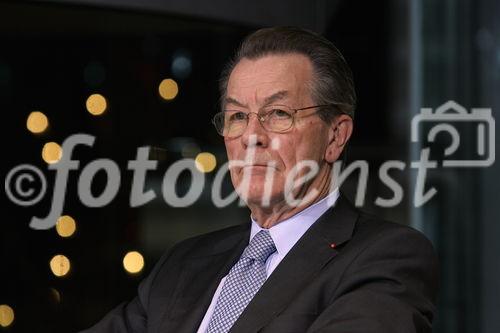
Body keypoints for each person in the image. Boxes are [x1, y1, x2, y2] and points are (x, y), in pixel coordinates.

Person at [82, 26, 438, 333]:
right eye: (237, 116)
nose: (251, 135)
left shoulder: (385, 257)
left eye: (278, 113)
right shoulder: (184, 262)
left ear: (335, 136)